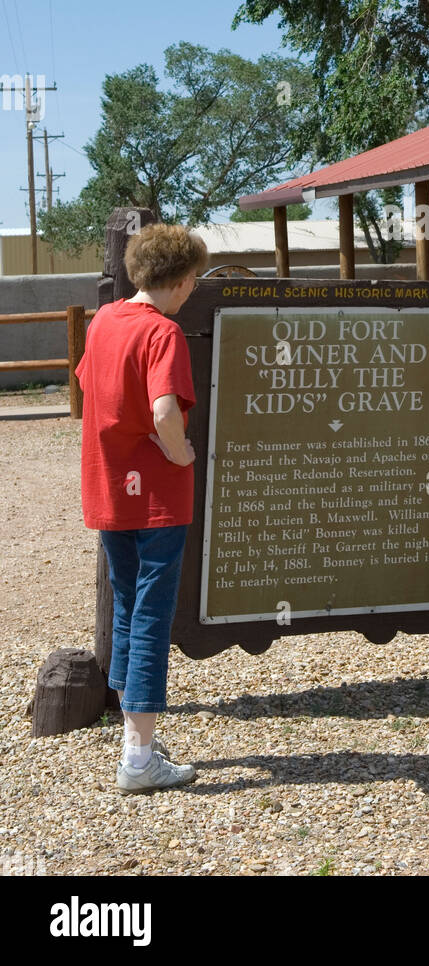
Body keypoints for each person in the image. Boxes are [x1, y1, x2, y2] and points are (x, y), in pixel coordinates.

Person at [76, 222, 208, 791]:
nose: (194, 289)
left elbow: (89, 389)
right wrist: (180, 457)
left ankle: (135, 742)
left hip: (109, 489)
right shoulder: (164, 333)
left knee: (130, 607)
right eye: (195, 280)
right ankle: (139, 756)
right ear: (179, 281)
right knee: (152, 615)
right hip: (155, 497)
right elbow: (163, 410)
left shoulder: (104, 321)